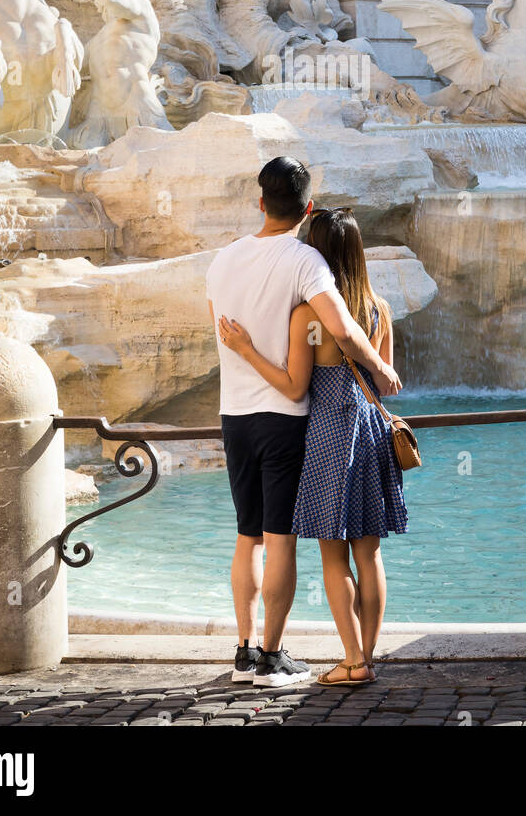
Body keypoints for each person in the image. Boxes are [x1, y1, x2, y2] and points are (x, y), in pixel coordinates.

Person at [206, 159, 402, 689]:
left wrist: (245, 349)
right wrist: (383, 370)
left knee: (250, 538)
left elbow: (291, 367)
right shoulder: (341, 285)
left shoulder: (222, 260)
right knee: (328, 544)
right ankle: (311, 656)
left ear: (260, 202)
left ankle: (247, 652)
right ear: (306, 207)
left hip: (239, 417)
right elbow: (346, 337)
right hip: (316, 425)